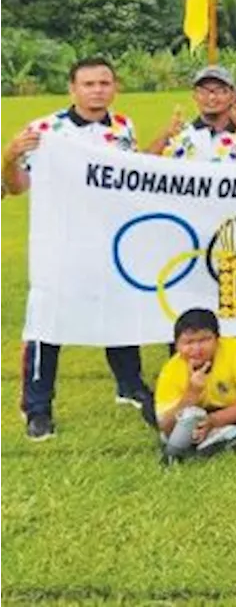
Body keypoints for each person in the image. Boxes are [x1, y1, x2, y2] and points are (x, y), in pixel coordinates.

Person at [5, 57, 152, 441]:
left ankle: (130, 385)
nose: (97, 90)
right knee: (48, 321)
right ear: (73, 89)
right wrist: (8, 155)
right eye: (88, 84)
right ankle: (37, 408)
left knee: (119, 310)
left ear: (114, 87)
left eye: (104, 82)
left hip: (110, 239)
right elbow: (17, 187)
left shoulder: (122, 127)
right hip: (61, 243)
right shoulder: (45, 129)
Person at [154, 308, 236, 461]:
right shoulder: (171, 371)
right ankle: (218, 436)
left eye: (204, 340)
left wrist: (214, 421)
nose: (197, 349)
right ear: (177, 346)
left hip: (234, 405)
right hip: (196, 410)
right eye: (189, 342)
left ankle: (222, 432)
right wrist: (192, 392)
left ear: (217, 339)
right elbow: (165, 424)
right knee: (151, 410)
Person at [154, 66, 236, 161]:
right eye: (203, 91)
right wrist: (165, 136)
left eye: (220, 91)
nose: (212, 97)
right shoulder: (180, 135)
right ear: (194, 96)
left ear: (233, 96)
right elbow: (145, 165)